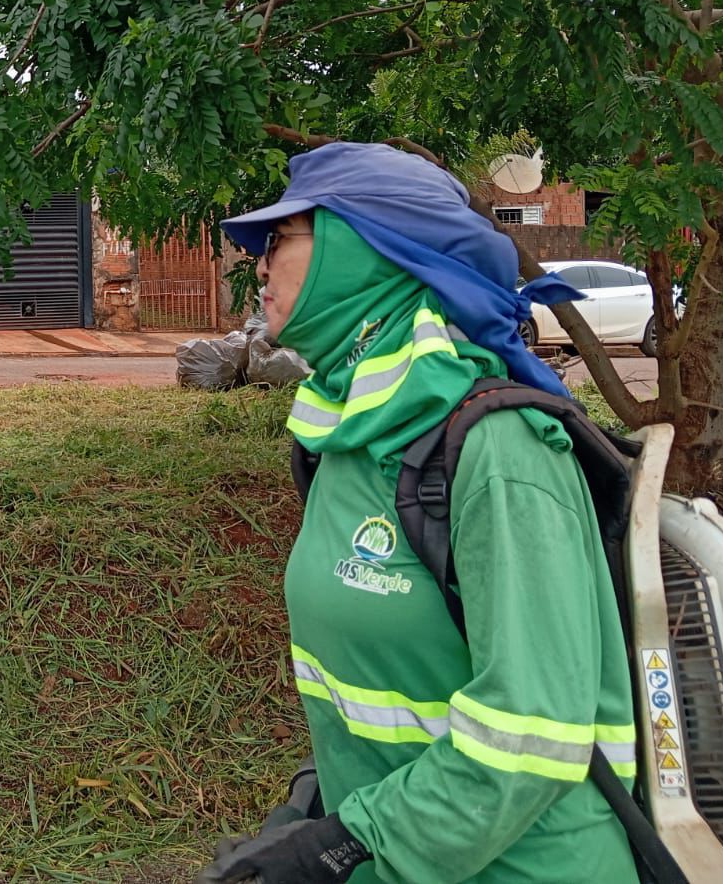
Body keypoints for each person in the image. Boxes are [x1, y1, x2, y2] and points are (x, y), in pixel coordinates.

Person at [197, 142, 637, 884]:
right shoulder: (342, 435)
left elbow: (529, 735)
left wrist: (344, 843)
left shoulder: (499, 451)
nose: (259, 265)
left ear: (363, 249)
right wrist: (322, 795)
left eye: (281, 240)